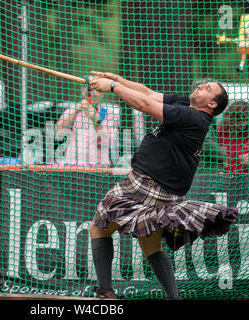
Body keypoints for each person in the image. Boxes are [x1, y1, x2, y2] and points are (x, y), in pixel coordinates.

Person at [88, 72, 238, 300]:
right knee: (151, 246)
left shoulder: (193, 118)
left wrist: (111, 87)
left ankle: (106, 293)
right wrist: (116, 79)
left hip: (145, 186)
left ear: (212, 103)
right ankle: (173, 299)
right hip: (162, 191)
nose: (199, 86)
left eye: (206, 88)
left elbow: (146, 104)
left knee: (99, 226)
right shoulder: (184, 103)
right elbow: (147, 92)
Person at [54, 77, 120, 167]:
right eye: (90, 90)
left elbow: (106, 142)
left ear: (103, 94)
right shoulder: (73, 110)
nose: (94, 94)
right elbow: (58, 131)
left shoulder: (109, 114)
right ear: (83, 92)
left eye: (98, 90)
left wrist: (95, 119)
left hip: (98, 166)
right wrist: (76, 110)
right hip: (72, 165)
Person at [217, 100, 249, 174]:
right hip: (221, 178)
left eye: (246, 120)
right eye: (239, 120)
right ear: (231, 118)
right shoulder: (220, 130)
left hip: (244, 180)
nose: (243, 123)